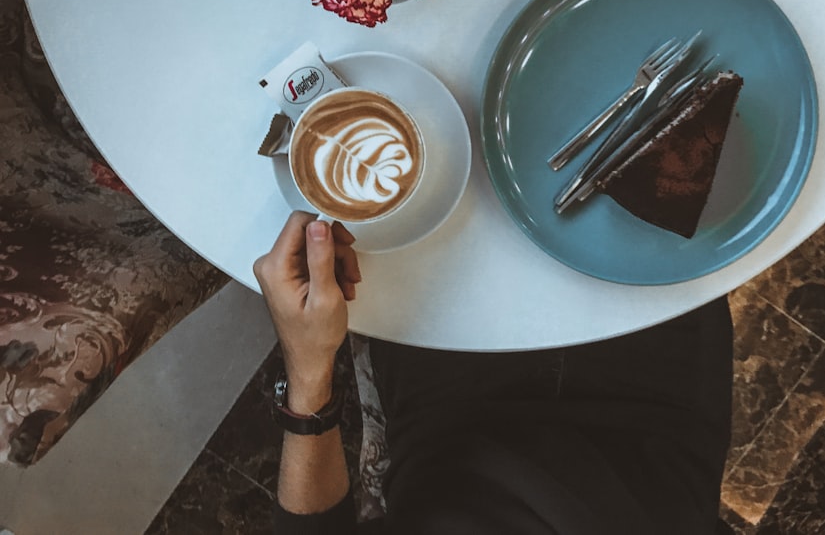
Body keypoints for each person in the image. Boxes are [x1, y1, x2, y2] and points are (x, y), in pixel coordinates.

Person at [253, 212, 734, 534]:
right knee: (654, 190)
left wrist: (309, 371)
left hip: (447, 414)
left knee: (443, 194)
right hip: (656, 414)